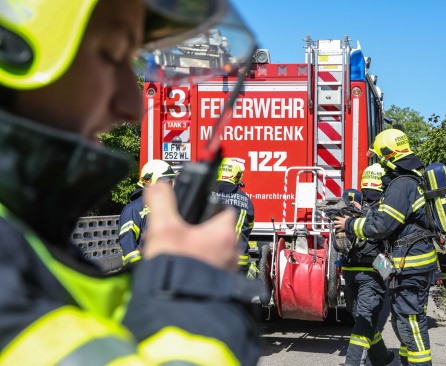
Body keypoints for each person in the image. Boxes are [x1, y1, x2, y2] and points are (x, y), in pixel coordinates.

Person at [0, 0, 261, 364]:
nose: (132, 105)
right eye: (111, 55)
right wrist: (188, 290)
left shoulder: (33, 242)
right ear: (10, 51)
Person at [334, 129, 437, 366]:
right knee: (402, 321)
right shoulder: (408, 181)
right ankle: (395, 360)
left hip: (410, 264)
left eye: (379, 157)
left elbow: (381, 227)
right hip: (404, 263)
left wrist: (349, 224)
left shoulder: (401, 186)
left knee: (409, 322)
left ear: (387, 157)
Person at [340, 163, 395, 366]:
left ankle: (353, 363)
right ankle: (380, 357)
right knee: (362, 318)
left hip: (364, 273)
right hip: (362, 271)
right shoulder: (384, 209)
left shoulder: (362, 208)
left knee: (362, 319)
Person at [118, 159, 176, 266]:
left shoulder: (164, 207)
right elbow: (129, 250)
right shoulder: (133, 210)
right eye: (166, 182)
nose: (169, 187)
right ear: (150, 182)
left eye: (170, 182)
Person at [213, 158, 255, 276]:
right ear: (237, 176)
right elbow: (249, 227)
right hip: (237, 262)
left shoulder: (206, 193)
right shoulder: (246, 200)